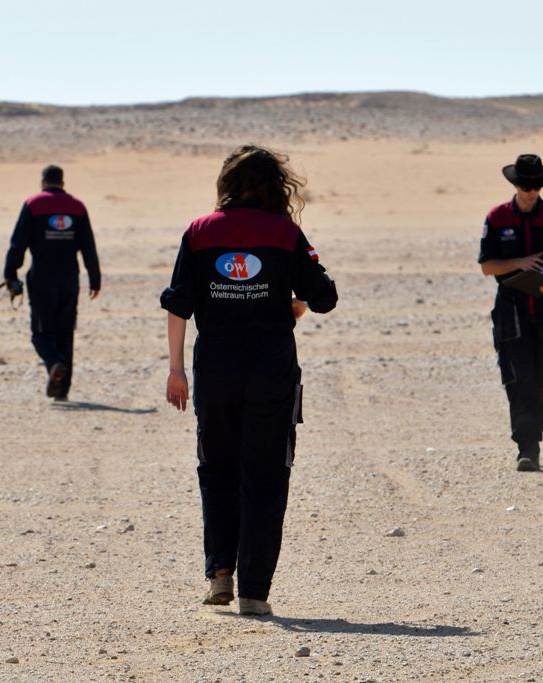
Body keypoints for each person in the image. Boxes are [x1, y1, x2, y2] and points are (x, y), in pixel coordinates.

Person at [161, 145, 338, 616]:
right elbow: (324, 298)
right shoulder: (286, 233)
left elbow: (179, 304)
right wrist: (293, 300)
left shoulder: (199, 232)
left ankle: (220, 574)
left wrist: (175, 369)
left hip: (214, 373)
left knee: (216, 469)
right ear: (274, 186)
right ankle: (255, 592)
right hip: (271, 375)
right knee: (265, 476)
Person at [478, 154, 543, 471]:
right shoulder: (496, 218)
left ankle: (534, 436)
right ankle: (527, 447)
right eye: (525, 185)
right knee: (517, 380)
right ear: (515, 184)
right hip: (511, 311)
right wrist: (518, 264)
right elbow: (487, 266)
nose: (530, 191)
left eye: (535, 186)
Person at [3, 164, 101, 401]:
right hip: (69, 280)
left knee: (41, 333)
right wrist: (95, 279)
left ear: (43, 183)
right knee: (65, 332)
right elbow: (88, 247)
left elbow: (18, 244)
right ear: (63, 183)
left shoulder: (34, 204)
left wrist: (10, 274)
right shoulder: (77, 207)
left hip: (42, 278)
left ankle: (54, 363)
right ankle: (62, 389)